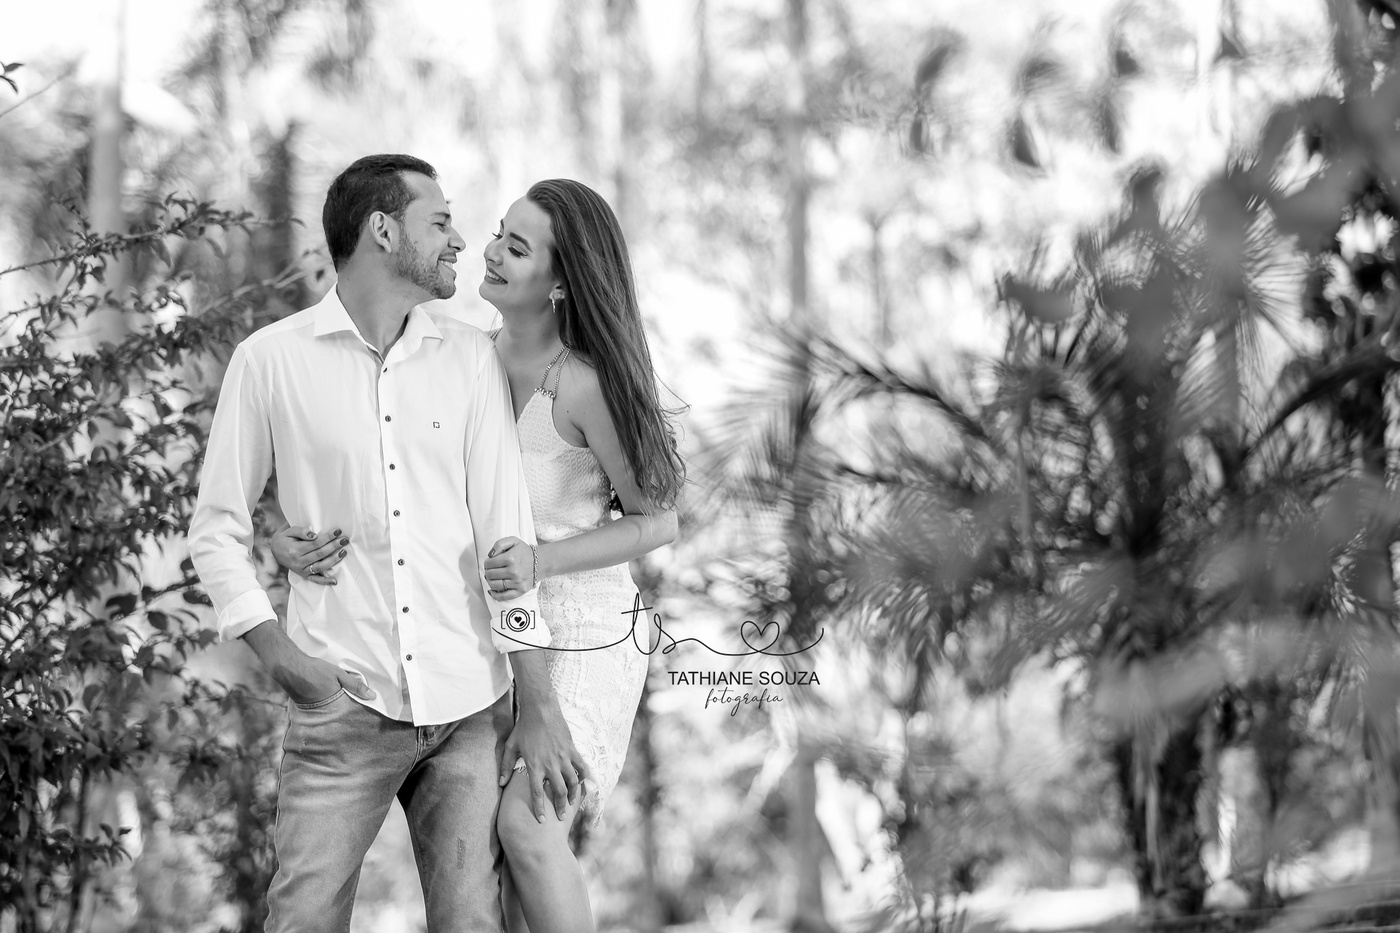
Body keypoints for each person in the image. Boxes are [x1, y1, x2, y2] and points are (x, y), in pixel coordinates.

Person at [188, 154, 588, 933]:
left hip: (468, 708)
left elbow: (505, 534)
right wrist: (285, 660)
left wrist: (536, 701)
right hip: (341, 706)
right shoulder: (270, 361)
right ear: (382, 230)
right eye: (439, 222)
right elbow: (216, 527)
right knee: (301, 922)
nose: (460, 240)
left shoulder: (472, 356)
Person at [272, 179, 685, 933]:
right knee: (502, 859)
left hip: (584, 631)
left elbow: (658, 522)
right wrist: (283, 535)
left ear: (561, 283)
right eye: (498, 232)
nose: (489, 251)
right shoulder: (463, 356)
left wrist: (541, 562)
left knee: (529, 824)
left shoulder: (583, 384)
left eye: (516, 248)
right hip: (491, 636)